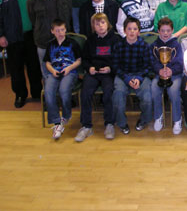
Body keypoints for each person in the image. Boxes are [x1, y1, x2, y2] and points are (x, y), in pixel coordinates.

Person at [0, 0, 42, 108]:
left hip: (31, 34)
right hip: (12, 36)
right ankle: (20, 95)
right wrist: (1, 35)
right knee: (16, 68)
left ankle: (37, 92)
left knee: (34, 66)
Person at [75, 13, 121, 142]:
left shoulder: (115, 39)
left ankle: (109, 124)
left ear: (107, 24)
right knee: (85, 93)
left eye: (102, 23)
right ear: (93, 26)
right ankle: (86, 126)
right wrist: (89, 67)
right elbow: (85, 59)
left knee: (108, 93)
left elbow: (118, 59)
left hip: (108, 73)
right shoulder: (90, 40)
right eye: (97, 24)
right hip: (93, 73)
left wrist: (110, 68)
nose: (100, 26)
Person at [27, 0, 72, 79]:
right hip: (43, 41)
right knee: (47, 74)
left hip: (62, 41)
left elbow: (68, 16)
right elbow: (33, 19)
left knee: (65, 70)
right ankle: (50, 95)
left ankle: (64, 95)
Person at [111, 17, 152, 135]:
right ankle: (122, 123)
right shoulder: (119, 46)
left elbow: (148, 66)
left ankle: (144, 120)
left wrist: (138, 78)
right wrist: (127, 79)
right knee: (118, 95)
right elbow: (115, 66)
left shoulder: (144, 46)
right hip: (123, 76)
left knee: (147, 97)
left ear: (139, 31)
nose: (132, 31)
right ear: (124, 30)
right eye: (129, 29)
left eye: (135, 29)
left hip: (141, 76)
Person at [43, 19, 82, 139]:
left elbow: (79, 60)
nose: (60, 32)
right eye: (57, 30)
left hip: (69, 72)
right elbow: (47, 62)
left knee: (63, 90)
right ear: (52, 31)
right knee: (48, 92)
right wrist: (52, 71)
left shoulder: (72, 43)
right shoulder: (50, 45)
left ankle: (66, 116)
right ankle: (56, 122)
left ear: (66, 30)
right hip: (54, 73)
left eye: (62, 30)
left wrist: (69, 68)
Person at [149, 18, 184, 135]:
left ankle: (177, 119)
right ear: (158, 31)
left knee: (174, 91)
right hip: (159, 74)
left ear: (172, 30)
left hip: (175, 75)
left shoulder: (177, 45)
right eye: (162, 31)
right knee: (154, 88)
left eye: (168, 30)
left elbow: (180, 62)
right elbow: (152, 61)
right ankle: (158, 117)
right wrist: (159, 70)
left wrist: (171, 70)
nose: (165, 33)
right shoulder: (154, 45)